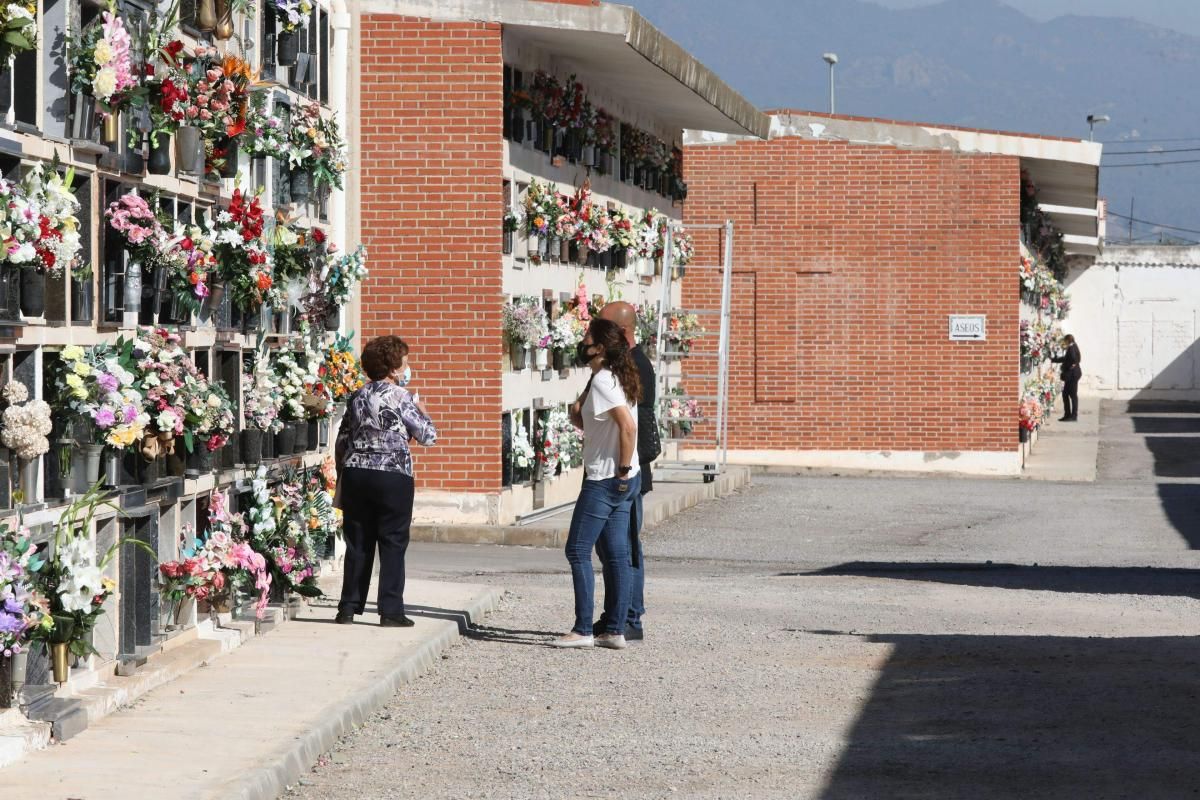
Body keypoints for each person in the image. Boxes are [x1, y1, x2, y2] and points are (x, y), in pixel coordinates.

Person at [334, 335, 437, 627]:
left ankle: (348, 608)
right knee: (392, 540)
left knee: (358, 542)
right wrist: (425, 414)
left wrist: (345, 471)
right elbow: (428, 437)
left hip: (357, 473)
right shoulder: (403, 397)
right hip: (393, 474)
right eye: (404, 363)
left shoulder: (357, 397)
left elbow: (343, 440)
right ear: (393, 369)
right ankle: (390, 611)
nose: (408, 367)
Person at [553, 318, 642, 650]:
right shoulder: (611, 377)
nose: (582, 343)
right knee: (617, 555)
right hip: (624, 480)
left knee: (577, 549)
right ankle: (614, 629)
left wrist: (620, 468)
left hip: (606, 479)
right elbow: (587, 420)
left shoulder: (604, 380)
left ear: (600, 347)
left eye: (587, 338)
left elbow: (627, 427)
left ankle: (583, 629)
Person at [594, 301, 659, 641]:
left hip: (627, 472)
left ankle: (630, 616)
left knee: (625, 547)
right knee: (612, 548)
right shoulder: (623, 363)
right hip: (620, 470)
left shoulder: (635, 366)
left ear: (620, 332)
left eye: (601, 329)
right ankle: (618, 614)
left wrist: (622, 471)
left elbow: (631, 425)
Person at [1051, 334, 1082, 422]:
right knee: (1066, 394)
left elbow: (1073, 359)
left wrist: (1067, 366)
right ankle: (1068, 414)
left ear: (1068, 340)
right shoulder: (1074, 346)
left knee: (1072, 395)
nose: (1064, 343)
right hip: (1073, 375)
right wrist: (1055, 360)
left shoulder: (1071, 348)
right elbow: (1070, 358)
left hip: (1072, 375)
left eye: (1065, 341)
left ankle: (1073, 415)